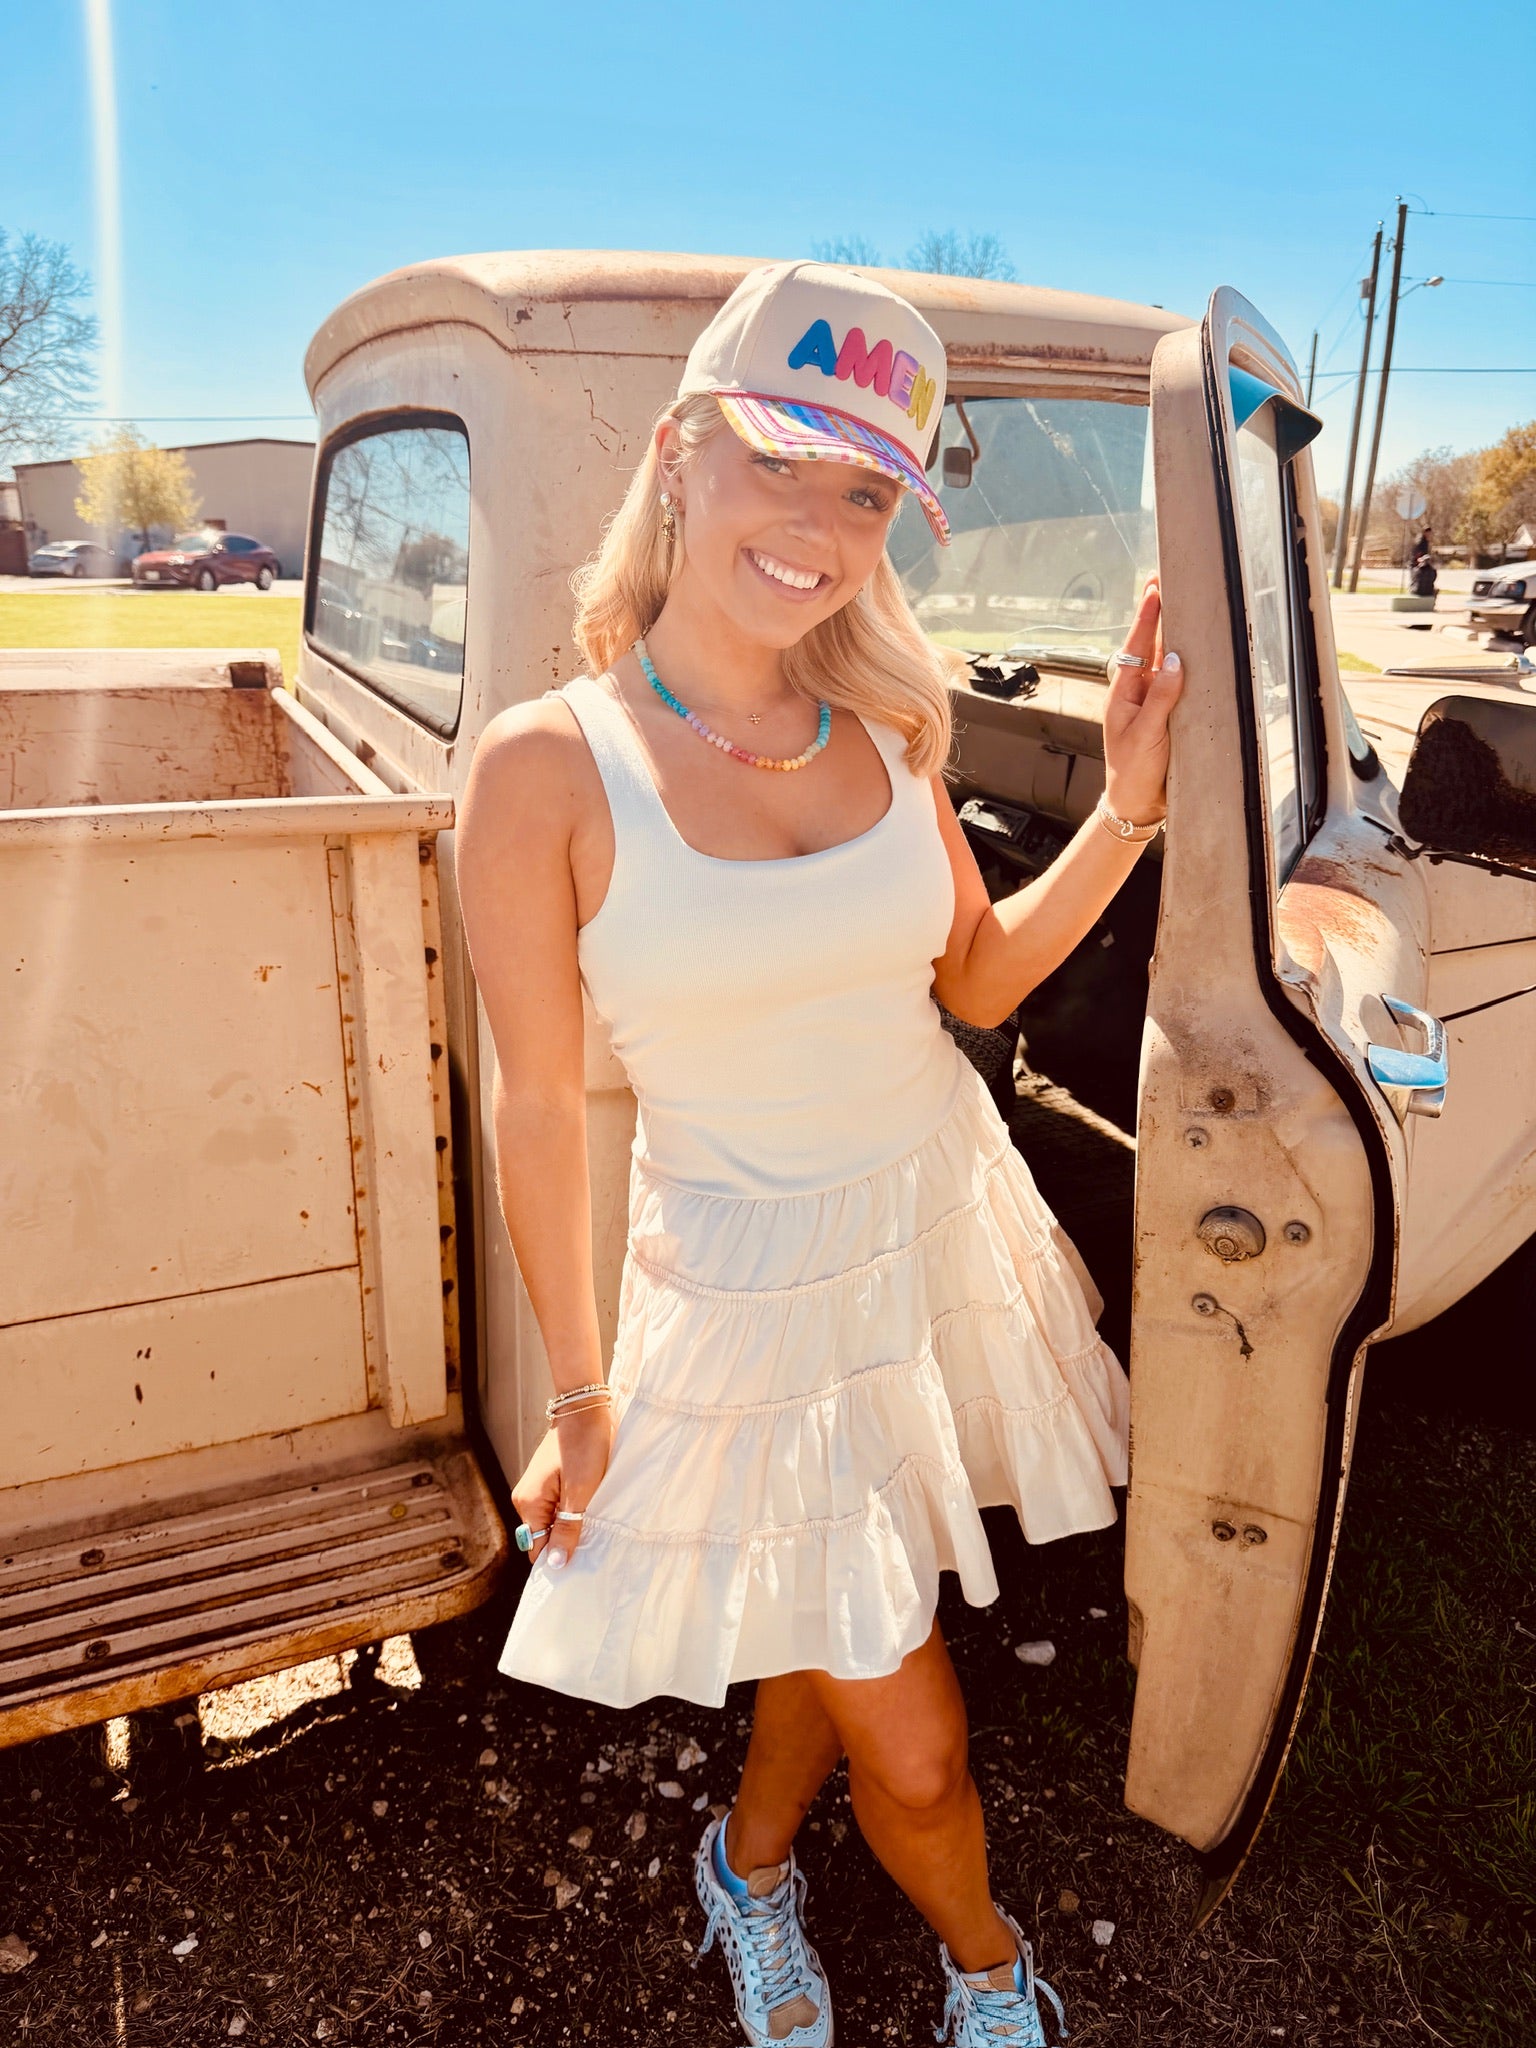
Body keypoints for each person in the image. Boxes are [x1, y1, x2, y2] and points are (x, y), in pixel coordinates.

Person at [456, 260, 1183, 2048]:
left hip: (929, 1228)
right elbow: (538, 1104)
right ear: (678, 454)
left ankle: (750, 1864)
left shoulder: (888, 735)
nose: (817, 526)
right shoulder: (547, 768)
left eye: (864, 492)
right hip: (749, 1294)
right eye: (779, 461)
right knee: (915, 1741)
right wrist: (580, 1392)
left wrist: (1128, 811)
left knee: (838, 1602)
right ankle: (991, 1974)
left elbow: (978, 980)